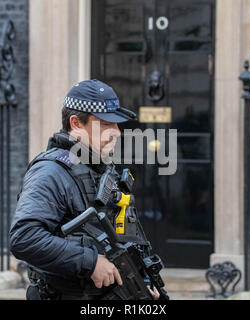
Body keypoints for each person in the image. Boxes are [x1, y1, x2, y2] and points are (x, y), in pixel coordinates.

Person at [9, 79, 159, 300]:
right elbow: (24, 238)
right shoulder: (51, 171)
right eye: (106, 124)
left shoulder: (100, 168)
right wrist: (90, 263)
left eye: (117, 125)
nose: (116, 132)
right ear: (76, 123)